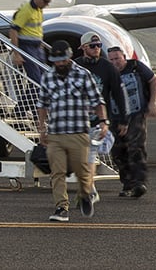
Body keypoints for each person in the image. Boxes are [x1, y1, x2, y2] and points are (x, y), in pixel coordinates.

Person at [36, 40, 108, 222]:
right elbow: (42, 104)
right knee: (57, 172)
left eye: (62, 60)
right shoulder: (48, 76)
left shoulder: (83, 75)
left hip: (78, 132)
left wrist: (103, 122)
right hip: (56, 133)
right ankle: (61, 207)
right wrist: (42, 128)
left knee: (82, 171)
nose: (59, 64)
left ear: (69, 57)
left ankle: (85, 194)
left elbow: (97, 100)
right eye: (55, 60)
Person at [107, 46, 156, 198]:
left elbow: (154, 80)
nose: (115, 62)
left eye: (117, 58)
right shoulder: (108, 72)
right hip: (115, 116)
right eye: (111, 59)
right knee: (117, 151)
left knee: (135, 147)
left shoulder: (136, 67)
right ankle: (127, 183)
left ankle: (139, 183)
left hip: (136, 113)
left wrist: (152, 102)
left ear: (124, 57)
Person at [73, 32, 125, 176]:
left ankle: (87, 188)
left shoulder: (108, 67)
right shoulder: (75, 66)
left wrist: (123, 119)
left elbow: (118, 94)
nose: (96, 48)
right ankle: (86, 187)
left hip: (99, 121)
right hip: (79, 120)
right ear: (83, 47)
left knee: (95, 152)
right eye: (92, 45)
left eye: (99, 45)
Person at [9, 0, 54, 113]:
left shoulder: (39, 9)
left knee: (44, 80)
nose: (46, 5)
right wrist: (17, 53)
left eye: (48, 2)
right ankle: (23, 111)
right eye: (45, 1)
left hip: (37, 47)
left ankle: (22, 110)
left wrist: (40, 42)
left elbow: (35, 29)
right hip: (27, 47)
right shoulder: (26, 10)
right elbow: (13, 31)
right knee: (36, 82)